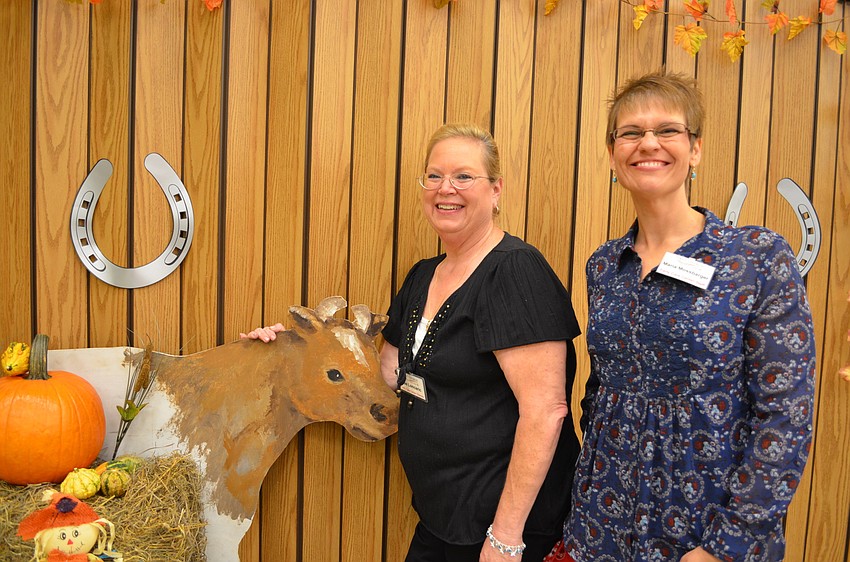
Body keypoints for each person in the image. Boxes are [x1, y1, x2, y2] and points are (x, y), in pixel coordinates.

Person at [244, 123, 582, 561]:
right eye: (435, 176)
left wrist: (506, 538)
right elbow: (383, 376)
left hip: (502, 533)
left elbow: (545, 411)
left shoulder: (515, 271)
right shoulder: (424, 275)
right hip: (444, 520)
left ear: (496, 190)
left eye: (464, 177)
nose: (446, 189)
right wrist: (290, 349)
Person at [559, 71, 816, 562]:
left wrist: (727, 544)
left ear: (694, 149)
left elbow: (787, 415)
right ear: (613, 153)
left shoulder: (754, 257)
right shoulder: (604, 265)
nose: (647, 143)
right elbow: (601, 390)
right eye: (630, 132)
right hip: (602, 525)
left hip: (704, 532)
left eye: (668, 130)